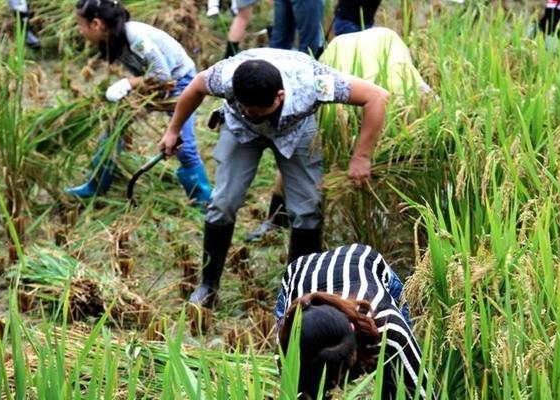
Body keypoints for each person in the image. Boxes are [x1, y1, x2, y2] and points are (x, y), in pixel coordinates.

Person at [158, 48, 390, 308]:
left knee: (307, 208)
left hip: (296, 129)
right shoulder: (225, 77)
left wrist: (361, 156)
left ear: (280, 97)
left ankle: (300, 293)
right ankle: (208, 286)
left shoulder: (313, 82)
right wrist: (173, 130)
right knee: (223, 202)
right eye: (249, 109)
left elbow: (376, 96)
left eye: (259, 111)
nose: (254, 114)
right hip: (240, 131)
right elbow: (195, 87)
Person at [247, 27, 432, 243]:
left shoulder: (413, 99)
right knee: (307, 145)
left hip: (384, 44)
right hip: (341, 56)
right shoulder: (344, 92)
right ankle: (277, 217)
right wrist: (361, 156)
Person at [66, 0, 212, 206]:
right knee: (114, 126)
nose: (80, 31)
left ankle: (204, 202)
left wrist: (128, 83)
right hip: (154, 85)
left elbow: (163, 77)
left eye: (80, 25)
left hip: (181, 84)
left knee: (183, 145)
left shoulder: (136, 38)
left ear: (96, 24)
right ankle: (96, 185)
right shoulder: (113, 38)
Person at [276, 244, 426, 399]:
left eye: (342, 374)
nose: (339, 384)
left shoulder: (386, 324)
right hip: (299, 274)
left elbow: (421, 393)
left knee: (396, 379)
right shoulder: (289, 340)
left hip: (362, 261)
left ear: (352, 327)